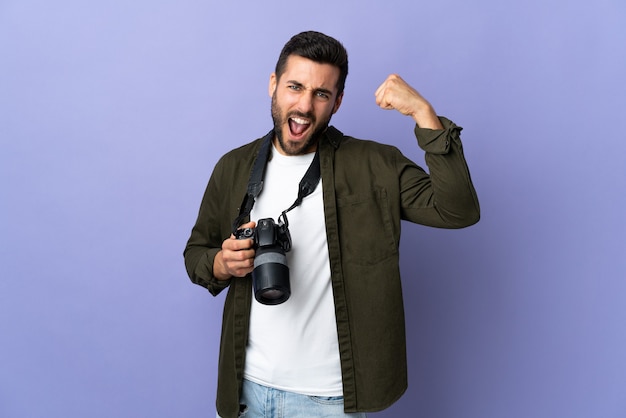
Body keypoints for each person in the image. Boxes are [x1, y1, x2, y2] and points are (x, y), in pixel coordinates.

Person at [184, 31, 480, 418]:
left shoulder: (374, 164)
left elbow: (458, 210)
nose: (304, 105)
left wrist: (423, 114)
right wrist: (221, 264)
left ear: (337, 102)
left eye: (321, 94)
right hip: (247, 390)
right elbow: (196, 253)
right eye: (294, 87)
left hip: (330, 400)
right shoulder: (234, 167)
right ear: (273, 85)